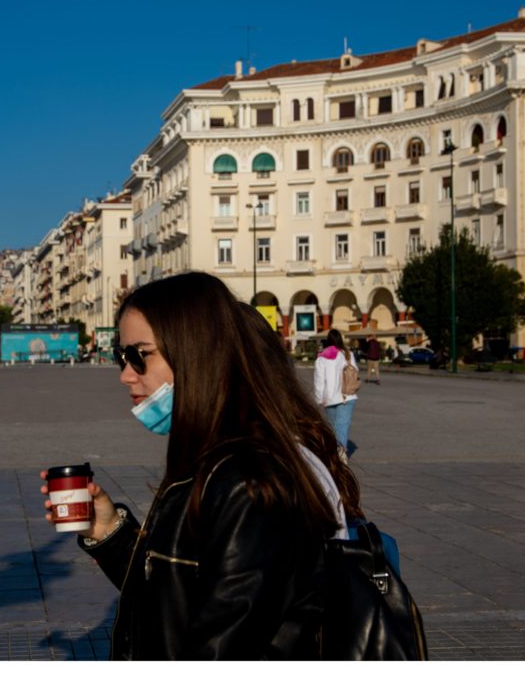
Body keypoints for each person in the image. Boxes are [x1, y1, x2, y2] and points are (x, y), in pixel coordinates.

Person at [41, 272, 361, 660]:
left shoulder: (248, 481)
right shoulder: (216, 462)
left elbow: (222, 647)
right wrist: (110, 531)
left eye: (139, 355)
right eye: (120, 357)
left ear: (196, 353)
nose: (126, 374)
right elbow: (178, 597)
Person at [313, 329, 358, 457]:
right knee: (342, 426)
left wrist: (318, 398)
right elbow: (355, 370)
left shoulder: (322, 357)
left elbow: (319, 380)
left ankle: (337, 453)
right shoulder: (348, 354)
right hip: (348, 395)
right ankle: (341, 453)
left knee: (333, 427)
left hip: (330, 398)